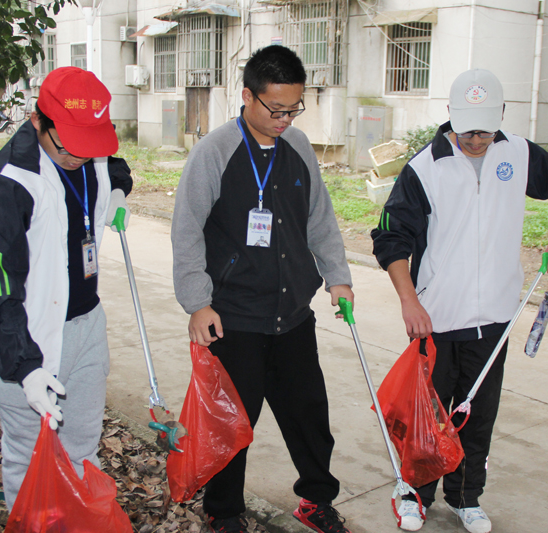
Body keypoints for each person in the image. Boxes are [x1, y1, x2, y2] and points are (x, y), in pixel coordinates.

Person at [371, 69, 548, 533]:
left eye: (486, 129)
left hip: (494, 316)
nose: (476, 139)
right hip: (438, 317)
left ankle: (466, 497)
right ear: (450, 114)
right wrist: (410, 302)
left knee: (478, 416)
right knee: (428, 415)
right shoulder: (425, 167)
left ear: (501, 118)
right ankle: (413, 492)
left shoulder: (517, 153)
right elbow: (391, 240)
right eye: (468, 128)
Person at [171, 45, 354, 533]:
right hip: (234, 318)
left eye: (294, 108)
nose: (285, 119)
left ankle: (317, 500)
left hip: (293, 314)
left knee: (309, 416)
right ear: (247, 96)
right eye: (276, 109)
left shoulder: (298, 149)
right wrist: (197, 302)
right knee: (233, 424)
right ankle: (223, 512)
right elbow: (187, 228)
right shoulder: (216, 151)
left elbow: (320, 220)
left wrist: (338, 277)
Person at [0, 66, 133, 510]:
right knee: (28, 457)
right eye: (70, 145)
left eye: (90, 144)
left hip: (85, 327)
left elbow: (113, 166)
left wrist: (118, 192)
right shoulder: (4, 186)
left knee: (81, 449)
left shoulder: (85, 150)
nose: (80, 156)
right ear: (38, 121)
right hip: (30, 337)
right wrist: (25, 367)